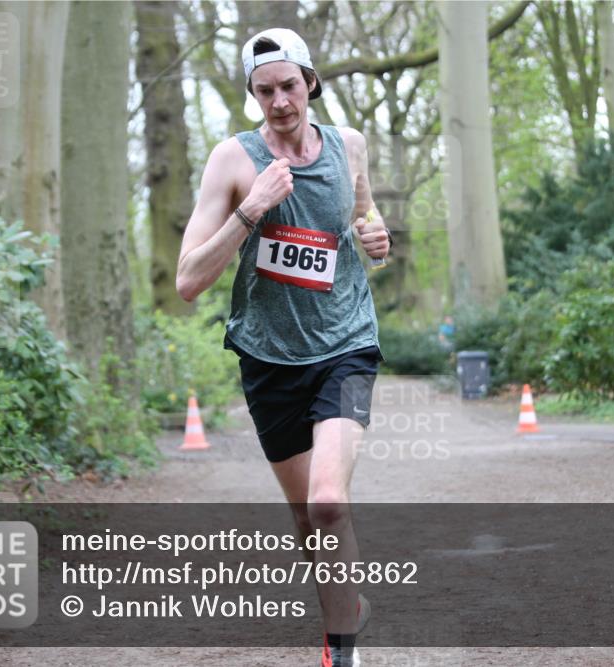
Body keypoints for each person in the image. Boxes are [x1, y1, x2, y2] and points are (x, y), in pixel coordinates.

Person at [175, 27, 391, 667]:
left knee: (329, 501)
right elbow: (188, 279)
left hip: (347, 344)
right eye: (264, 90)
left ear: (310, 82)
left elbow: (364, 218)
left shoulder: (348, 145)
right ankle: (346, 606)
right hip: (269, 359)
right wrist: (251, 212)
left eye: (289, 86)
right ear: (253, 95)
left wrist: (376, 239)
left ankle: (339, 648)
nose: (279, 102)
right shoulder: (233, 161)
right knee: (309, 521)